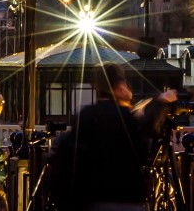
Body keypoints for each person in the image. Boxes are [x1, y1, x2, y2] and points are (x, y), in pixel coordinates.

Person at [62, 66, 177, 211]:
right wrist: (161, 103)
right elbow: (143, 149)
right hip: (123, 197)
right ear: (120, 87)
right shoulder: (125, 118)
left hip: (90, 199)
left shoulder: (85, 115)